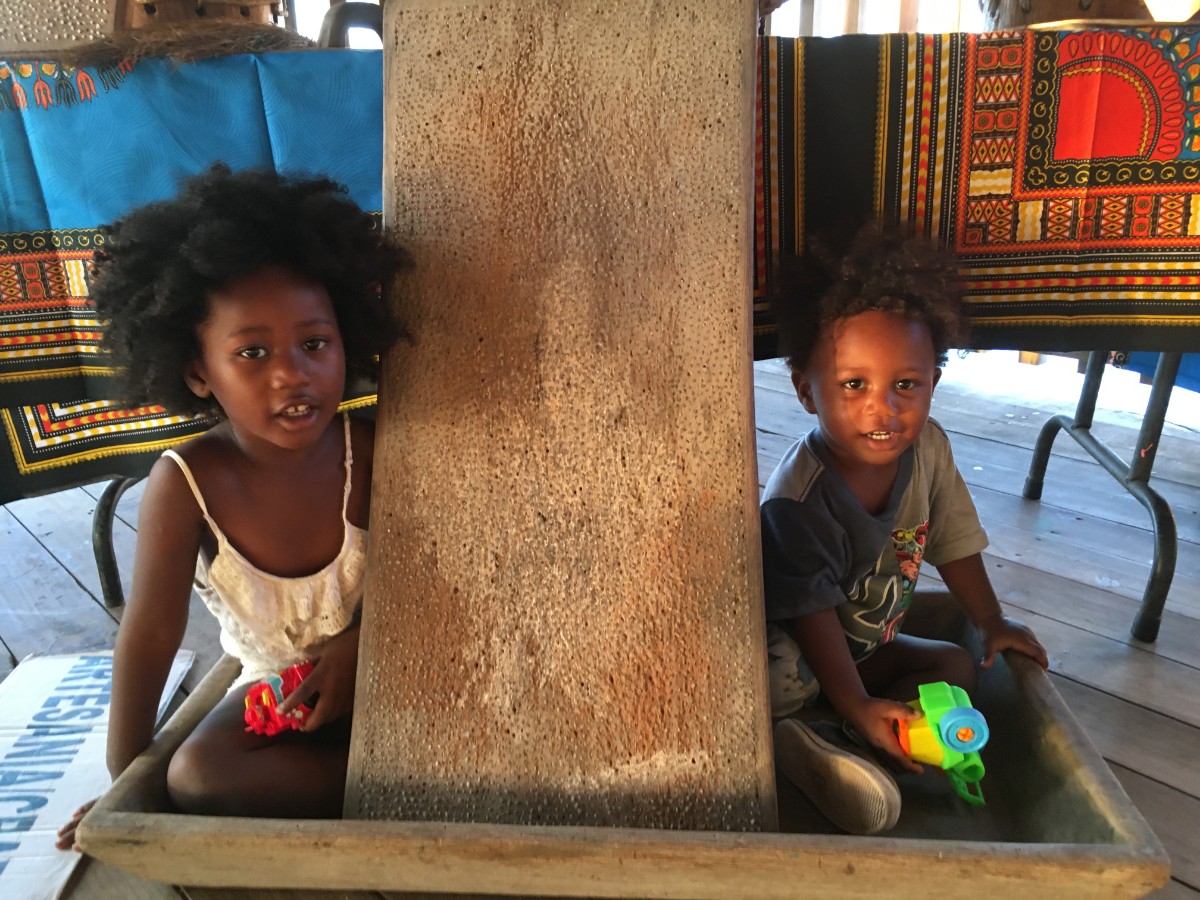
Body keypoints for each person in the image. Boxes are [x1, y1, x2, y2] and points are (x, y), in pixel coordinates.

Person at [56, 164, 407, 849]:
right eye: (252, 351)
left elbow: (431, 580)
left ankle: (395, 783)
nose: (291, 373)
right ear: (197, 372)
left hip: (387, 677)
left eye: (315, 343)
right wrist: (125, 787)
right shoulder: (187, 482)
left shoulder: (370, 451)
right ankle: (406, 787)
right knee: (198, 777)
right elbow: (151, 636)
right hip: (280, 693)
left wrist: (363, 648)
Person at [760, 221, 1048, 836]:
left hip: (863, 648)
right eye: (853, 385)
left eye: (906, 385)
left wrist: (991, 621)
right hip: (791, 663)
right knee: (785, 691)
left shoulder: (931, 452)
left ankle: (840, 740)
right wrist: (858, 702)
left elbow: (954, 543)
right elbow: (811, 616)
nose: (883, 408)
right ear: (807, 392)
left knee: (955, 667)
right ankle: (819, 743)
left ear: (934, 383)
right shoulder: (799, 501)